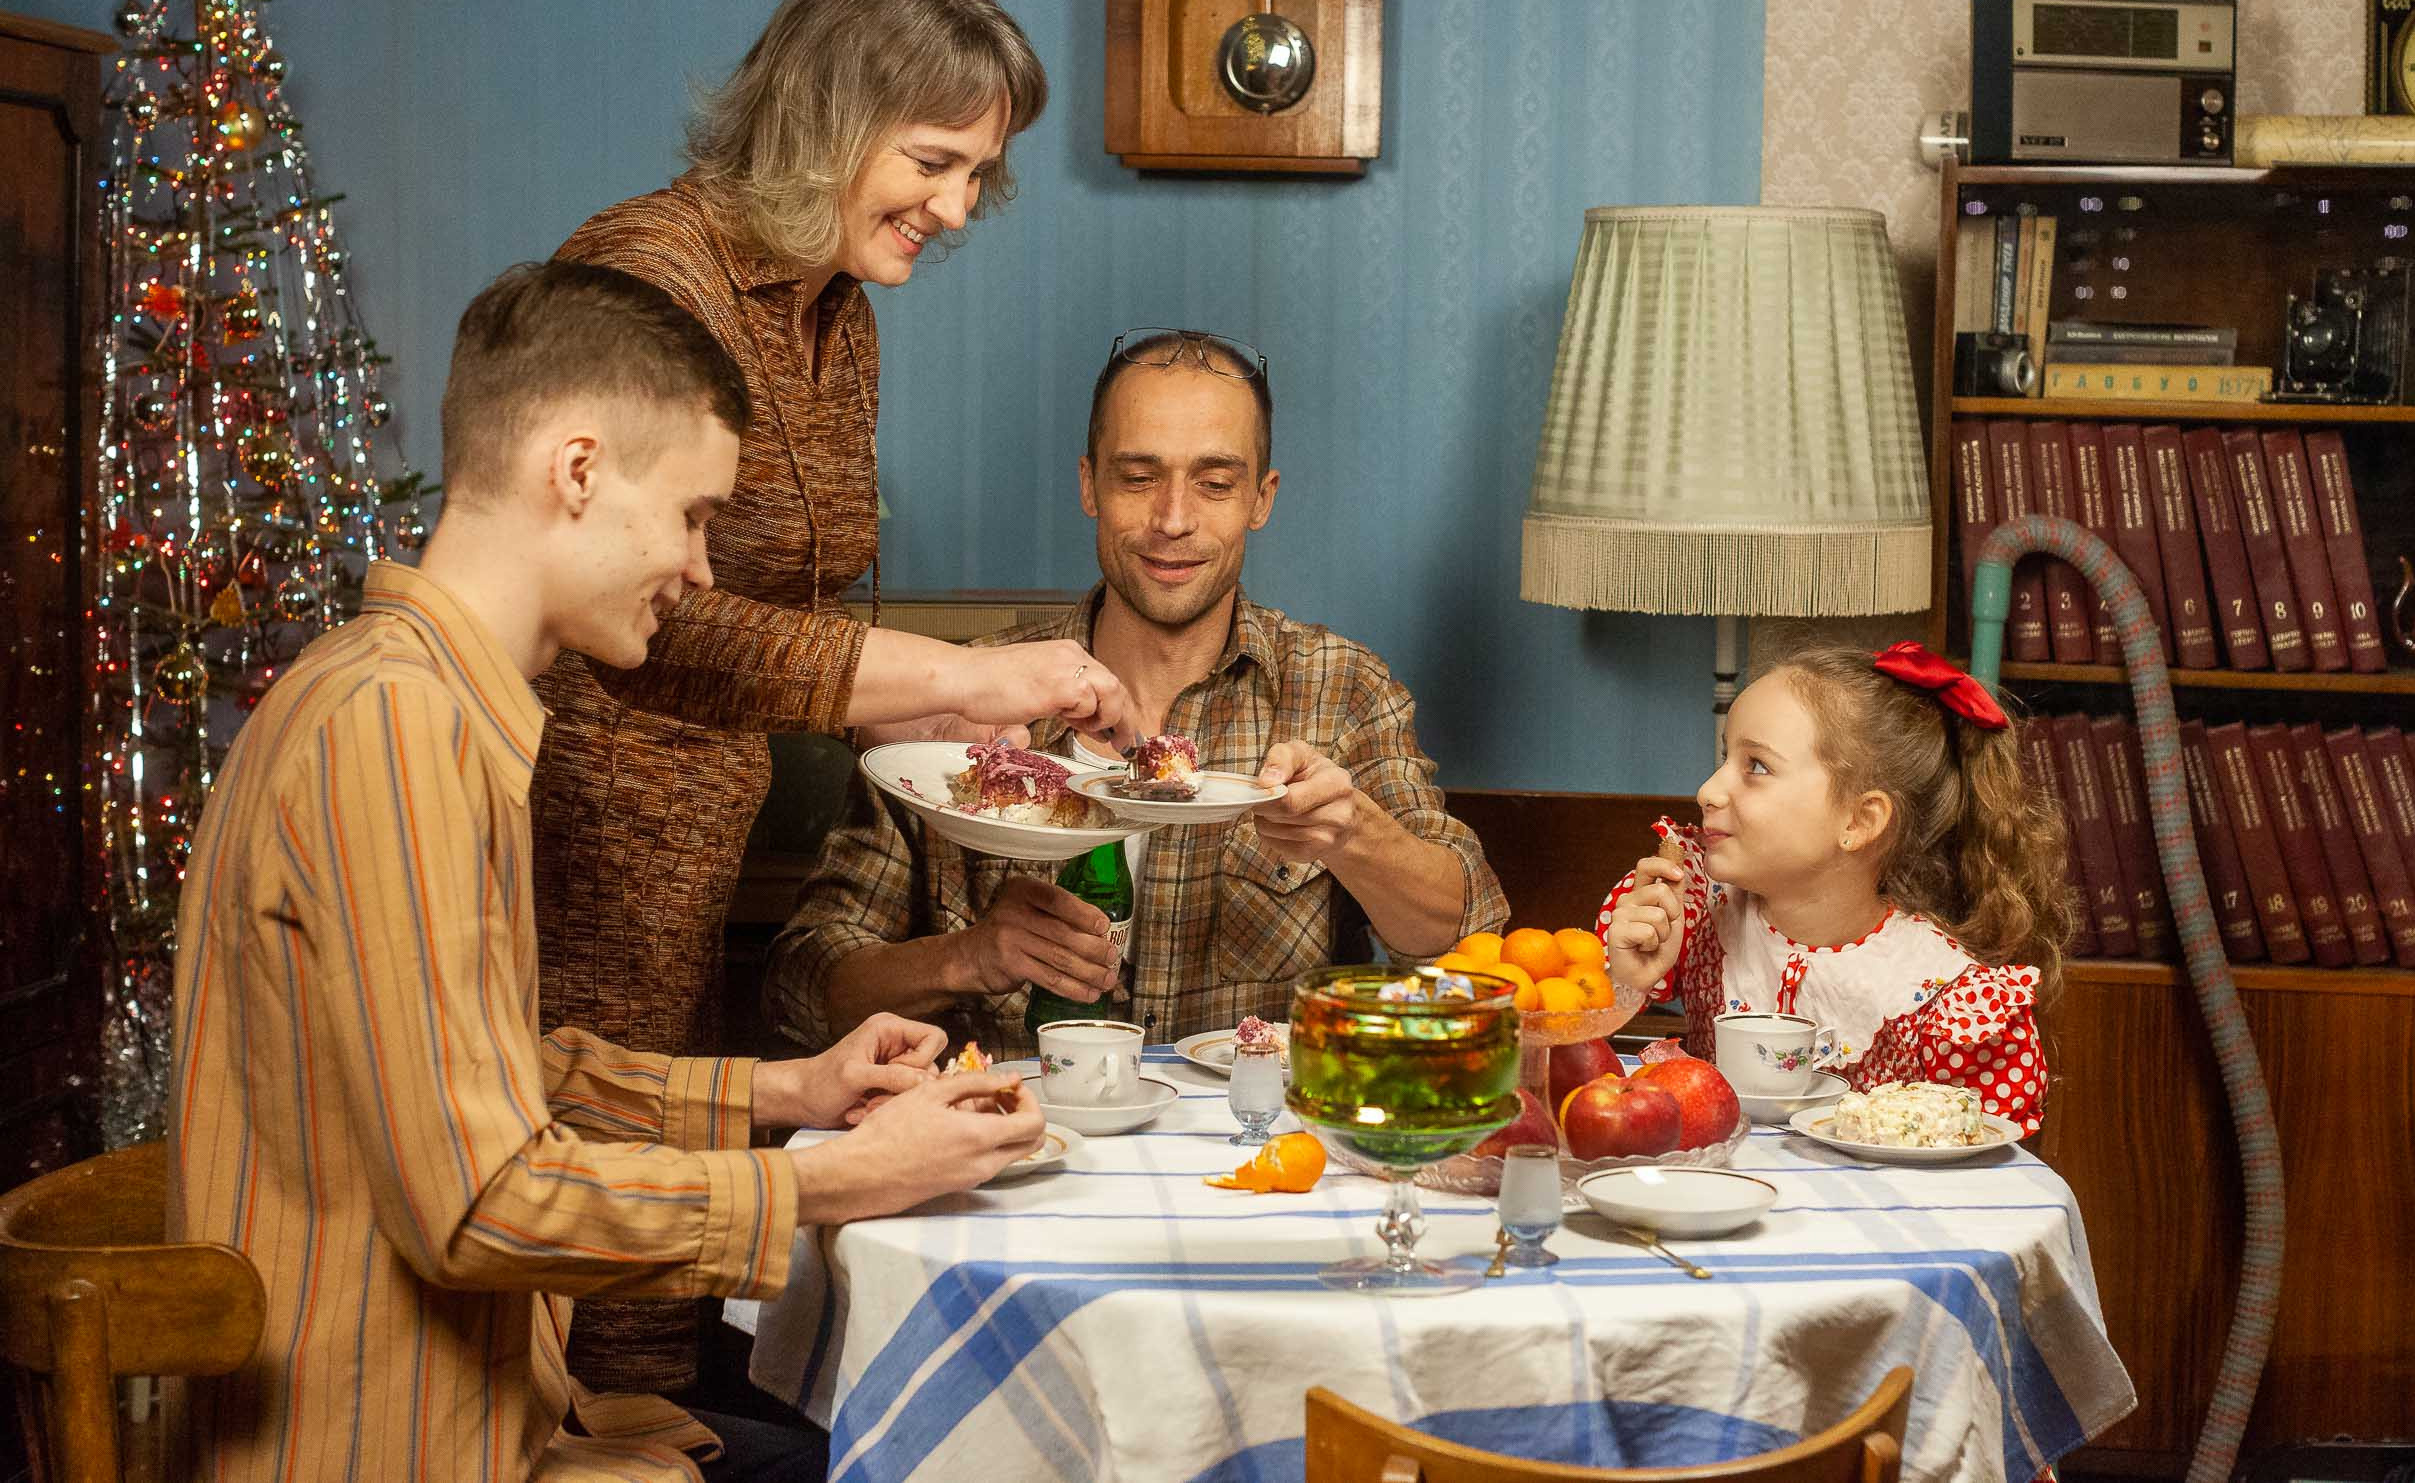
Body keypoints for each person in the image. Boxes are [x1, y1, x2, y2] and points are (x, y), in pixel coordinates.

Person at [167, 263, 1044, 1483]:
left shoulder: (411, 699)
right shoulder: (393, 726)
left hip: (509, 1415)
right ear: (576, 471)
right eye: (693, 514)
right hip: (398, 1447)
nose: (698, 569)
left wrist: (793, 1093)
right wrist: (834, 1184)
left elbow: (494, 1078)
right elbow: (476, 1204)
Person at [529, 0, 1132, 1392]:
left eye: (980, 172)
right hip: (578, 825)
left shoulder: (835, 304)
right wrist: (966, 677)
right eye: (934, 161)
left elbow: (793, 616)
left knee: (668, 1271)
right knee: (585, 1263)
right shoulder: (644, 273)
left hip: (712, 836)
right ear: (822, 120)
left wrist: (987, 712)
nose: (959, 206)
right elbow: (655, 615)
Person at [766, 330, 1508, 1057]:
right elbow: (802, 986)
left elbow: (1470, 935)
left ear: (1261, 497)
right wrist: (967, 958)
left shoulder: (1341, 687)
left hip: (1258, 1151)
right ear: (1089, 483)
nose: (1173, 519)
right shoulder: (973, 694)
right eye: (1138, 476)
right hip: (1008, 1148)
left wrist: (1355, 839)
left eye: (1215, 483)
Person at [1597, 642, 2073, 1134]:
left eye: (1756, 766)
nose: (1708, 791)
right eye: (1725, 757)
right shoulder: (1693, 908)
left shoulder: (1943, 998)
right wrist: (1625, 984)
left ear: (1859, 820)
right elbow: (1578, 1053)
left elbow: (1989, 1166)